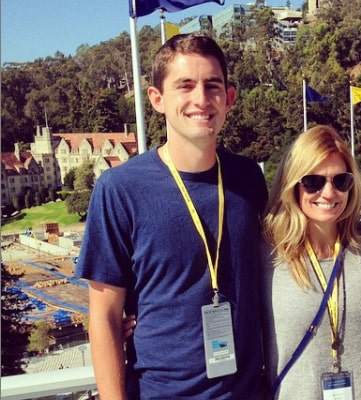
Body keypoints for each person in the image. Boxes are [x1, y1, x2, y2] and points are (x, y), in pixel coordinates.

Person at [76, 34, 267, 399]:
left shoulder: (248, 179)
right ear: (157, 99)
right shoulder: (120, 189)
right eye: (185, 86)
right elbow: (103, 316)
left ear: (229, 98)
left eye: (212, 86)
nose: (201, 99)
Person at [262, 125, 361, 399]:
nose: (329, 193)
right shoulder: (268, 259)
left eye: (340, 181)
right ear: (293, 185)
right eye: (313, 182)